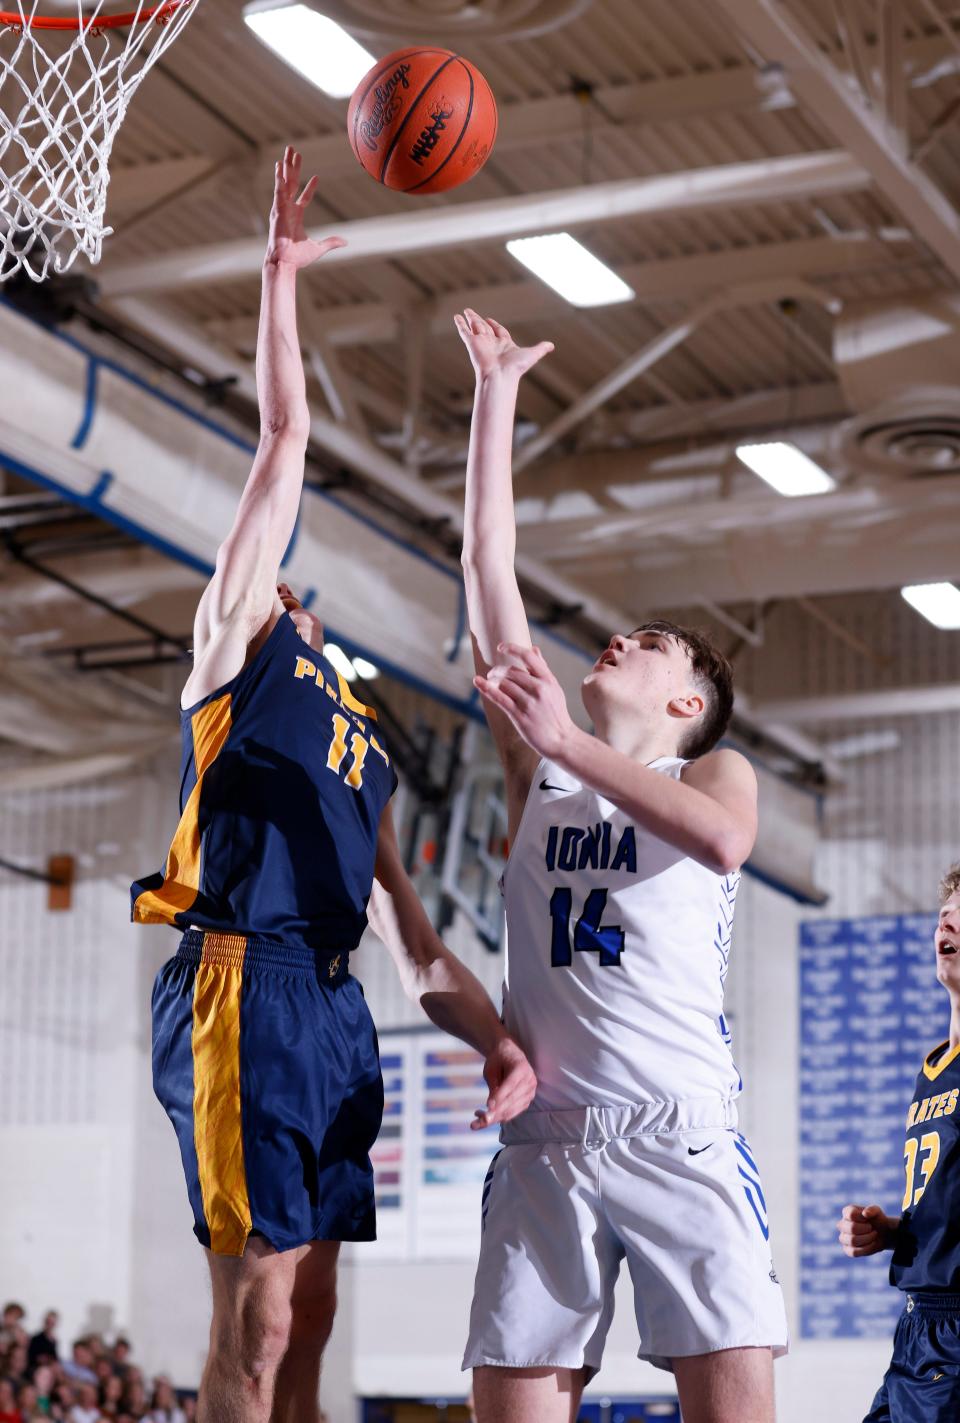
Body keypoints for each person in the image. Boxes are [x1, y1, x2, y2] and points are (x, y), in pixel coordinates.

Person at [130, 154, 535, 1423]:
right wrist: (278, 279)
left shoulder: (357, 730)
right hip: (240, 982)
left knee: (312, 1319)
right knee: (252, 1325)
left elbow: (412, 937)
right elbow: (286, 434)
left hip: (335, 1007)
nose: (286, 585)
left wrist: (496, 1041)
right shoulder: (230, 647)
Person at [453, 309, 788, 1423]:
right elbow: (487, 561)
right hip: (548, 1139)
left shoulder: (716, 772)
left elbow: (727, 844)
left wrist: (566, 741)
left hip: (679, 1123)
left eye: (652, 644)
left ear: (688, 704)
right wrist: (497, 398)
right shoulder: (540, 767)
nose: (620, 641)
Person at [838, 864, 960, 1420]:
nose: (947, 920)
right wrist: (894, 1232)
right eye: (945, 910)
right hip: (916, 1326)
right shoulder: (933, 1067)